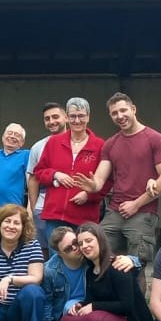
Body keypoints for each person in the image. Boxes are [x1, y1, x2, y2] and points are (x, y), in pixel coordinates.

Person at [84, 93, 161, 276]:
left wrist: (136, 204)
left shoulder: (154, 138)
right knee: (97, 254)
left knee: (135, 265)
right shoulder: (110, 144)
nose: (120, 116)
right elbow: (99, 180)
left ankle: (136, 296)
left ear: (133, 109)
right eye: (114, 113)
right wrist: (92, 186)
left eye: (123, 110)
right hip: (115, 211)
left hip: (143, 212)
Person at [58, 223, 157, 321]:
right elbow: (91, 300)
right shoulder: (90, 271)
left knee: (95, 319)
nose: (85, 246)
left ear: (100, 240)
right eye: (81, 243)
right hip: (109, 316)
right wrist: (81, 305)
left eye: (89, 241)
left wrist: (93, 306)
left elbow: (127, 306)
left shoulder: (118, 266)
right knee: (67, 320)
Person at [32, 97, 105, 240]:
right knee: (56, 252)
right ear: (66, 117)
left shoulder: (99, 145)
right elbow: (38, 172)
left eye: (81, 116)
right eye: (72, 116)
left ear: (88, 117)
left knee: (84, 252)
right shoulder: (54, 142)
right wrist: (55, 174)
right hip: (55, 216)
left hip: (85, 217)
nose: (77, 120)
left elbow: (108, 182)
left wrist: (89, 195)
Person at [26, 102, 67, 232]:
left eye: (55, 117)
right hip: (43, 209)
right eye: (47, 119)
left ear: (66, 117)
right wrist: (34, 209)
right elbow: (33, 179)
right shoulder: (38, 147)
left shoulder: (78, 143)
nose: (51, 121)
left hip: (71, 209)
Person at [0, 123, 31, 208]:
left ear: (22, 142)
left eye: (17, 135)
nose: (12, 136)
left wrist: (30, 208)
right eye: (9, 133)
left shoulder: (26, 155)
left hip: (13, 208)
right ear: (3, 137)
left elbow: (32, 182)